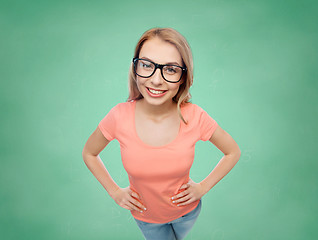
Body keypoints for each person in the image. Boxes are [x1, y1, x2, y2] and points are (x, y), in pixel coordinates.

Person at [82, 27, 241, 240]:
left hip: (187, 213)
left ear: (184, 77)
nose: (156, 80)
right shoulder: (118, 116)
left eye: (171, 69)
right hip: (146, 217)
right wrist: (114, 192)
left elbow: (233, 152)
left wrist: (202, 187)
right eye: (147, 65)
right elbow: (89, 153)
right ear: (135, 67)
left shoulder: (195, 116)